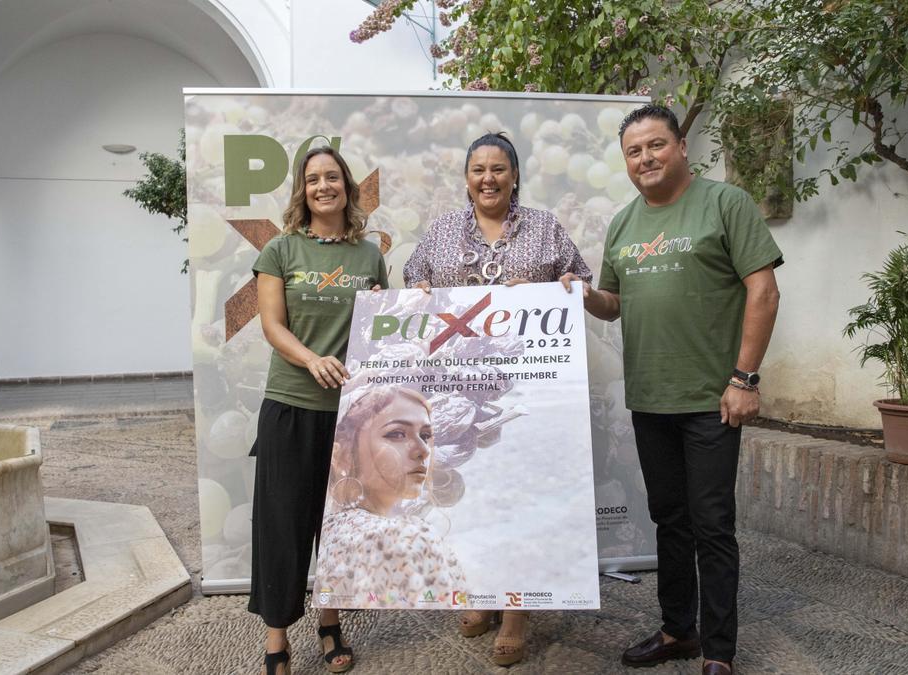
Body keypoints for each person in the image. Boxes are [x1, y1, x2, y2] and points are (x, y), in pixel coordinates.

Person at [566, 104, 782, 675]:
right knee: (669, 520)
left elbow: (764, 291)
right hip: (650, 399)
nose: (646, 159)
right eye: (634, 152)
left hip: (714, 399)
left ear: (681, 146)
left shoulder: (724, 203)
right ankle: (677, 631)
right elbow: (613, 305)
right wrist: (586, 296)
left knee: (712, 524)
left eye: (656, 145)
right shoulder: (623, 222)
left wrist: (744, 378)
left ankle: (719, 651)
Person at [402, 131, 592, 667]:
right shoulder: (442, 230)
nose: (488, 178)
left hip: (526, 384)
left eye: (499, 169)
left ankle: (516, 609)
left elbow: (577, 280)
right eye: (478, 169)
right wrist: (416, 294)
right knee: (476, 492)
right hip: (458, 390)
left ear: (514, 176)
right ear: (467, 178)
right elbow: (415, 279)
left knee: (520, 487)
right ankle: (482, 594)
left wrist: (571, 283)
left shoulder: (544, 227)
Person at [248, 146, 389, 675]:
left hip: (350, 413)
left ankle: (330, 620)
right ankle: (276, 637)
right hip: (290, 405)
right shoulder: (280, 251)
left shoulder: (367, 256)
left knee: (336, 525)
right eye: (313, 179)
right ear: (301, 191)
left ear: (348, 188)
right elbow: (272, 326)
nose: (323, 186)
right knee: (283, 524)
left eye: (333, 177)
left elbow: (381, 327)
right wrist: (312, 361)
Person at [314, 385, 466, 603]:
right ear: (342, 456)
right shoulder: (406, 535)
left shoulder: (333, 527)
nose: (423, 449)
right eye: (396, 434)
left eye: (425, 435)